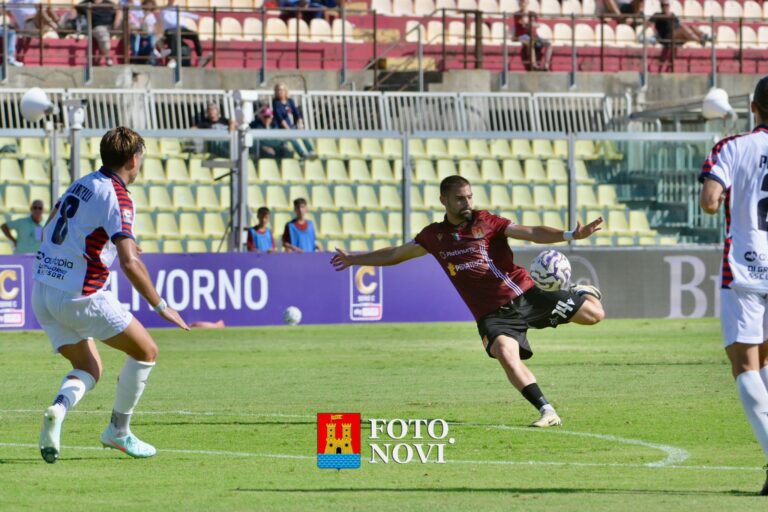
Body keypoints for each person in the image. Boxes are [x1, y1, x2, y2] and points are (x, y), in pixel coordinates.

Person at [331, 176, 605, 427]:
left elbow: (531, 232)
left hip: (524, 293)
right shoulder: (433, 236)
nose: (467, 203)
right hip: (492, 314)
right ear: (444, 200)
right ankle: (547, 410)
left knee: (594, 316)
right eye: (460, 198)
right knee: (505, 355)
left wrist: (570, 235)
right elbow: (396, 254)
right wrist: (355, 259)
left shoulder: (484, 221)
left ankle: (581, 290)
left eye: (470, 197)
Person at [34, 126, 189, 464]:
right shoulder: (117, 195)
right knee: (146, 350)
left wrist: (111, 246)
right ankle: (118, 431)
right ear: (134, 160)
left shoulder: (82, 183)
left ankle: (57, 411)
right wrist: (161, 306)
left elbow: (52, 230)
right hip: (80, 295)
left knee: (88, 366)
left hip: (43, 292)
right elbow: (130, 263)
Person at [699, 76, 768, 496]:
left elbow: (710, 202)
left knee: (745, 367)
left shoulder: (732, 146)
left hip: (745, 270)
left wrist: (720, 195)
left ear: (755, 108)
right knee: (764, 366)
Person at [161, 0, 211, 68]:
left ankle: (200, 57)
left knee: (194, 35)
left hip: (180, 29)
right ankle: (172, 58)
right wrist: (179, 24)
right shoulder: (164, 10)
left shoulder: (176, 8)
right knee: (173, 35)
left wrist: (196, 17)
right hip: (170, 30)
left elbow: (185, 14)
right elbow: (169, 21)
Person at [272, 83, 317, 160]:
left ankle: (311, 151)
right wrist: (288, 130)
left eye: (282, 90)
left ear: (285, 91)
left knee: (302, 132)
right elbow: (280, 118)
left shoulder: (290, 101)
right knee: (292, 137)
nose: (280, 92)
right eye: (278, 90)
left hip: (291, 126)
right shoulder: (276, 102)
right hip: (281, 128)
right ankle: (302, 154)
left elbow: (297, 113)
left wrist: (300, 123)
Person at [76, 0, 122, 67]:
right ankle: (108, 57)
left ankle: (100, 59)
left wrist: (116, 23)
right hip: (98, 27)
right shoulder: (86, 3)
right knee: (104, 39)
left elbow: (119, 11)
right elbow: (75, 9)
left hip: (111, 27)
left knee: (128, 25)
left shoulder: (108, 3)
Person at [512, 0, 552, 72]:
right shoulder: (517, 14)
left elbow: (537, 24)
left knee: (548, 44)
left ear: (527, 2)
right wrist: (529, 22)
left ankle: (546, 65)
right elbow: (523, 22)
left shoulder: (532, 13)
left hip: (534, 37)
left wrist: (531, 24)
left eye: (524, 1)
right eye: (521, 2)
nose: (523, 3)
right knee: (530, 43)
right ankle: (534, 65)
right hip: (521, 36)